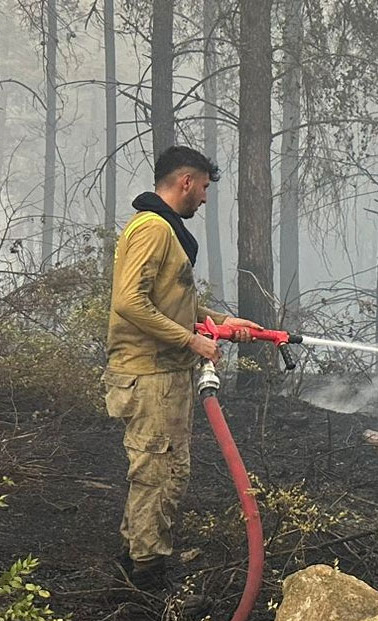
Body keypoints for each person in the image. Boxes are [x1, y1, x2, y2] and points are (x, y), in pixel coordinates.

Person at [102, 146, 260, 588]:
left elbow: (167, 302)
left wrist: (222, 322)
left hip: (161, 373)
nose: (206, 198)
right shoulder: (153, 229)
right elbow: (129, 302)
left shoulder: (163, 230)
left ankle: (135, 566)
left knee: (160, 472)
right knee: (159, 475)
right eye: (205, 188)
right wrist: (192, 340)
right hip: (150, 374)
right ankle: (146, 585)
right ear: (185, 182)